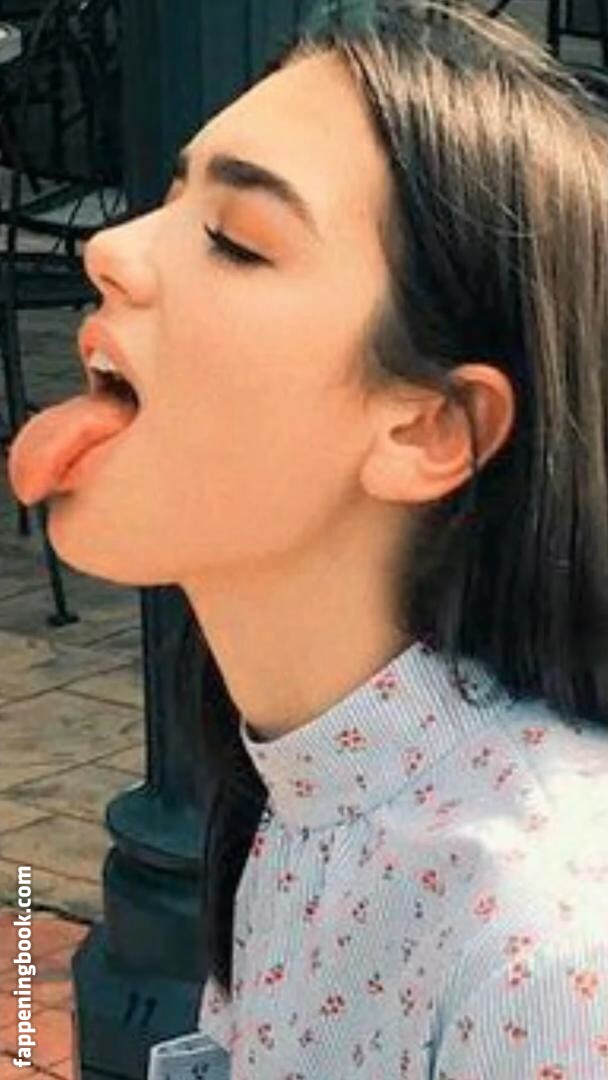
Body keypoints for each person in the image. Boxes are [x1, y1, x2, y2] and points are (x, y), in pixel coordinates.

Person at [8, 0, 608, 1076]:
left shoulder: (552, 950)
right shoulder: (298, 795)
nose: (109, 249)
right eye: (170, 200)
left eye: (235, 241)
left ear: (428, 429)